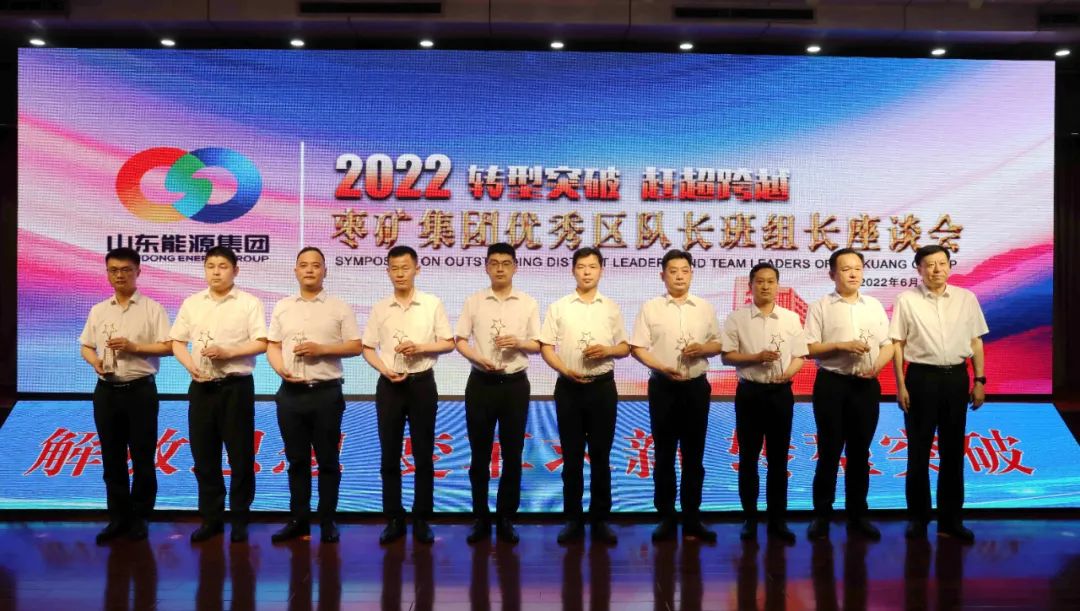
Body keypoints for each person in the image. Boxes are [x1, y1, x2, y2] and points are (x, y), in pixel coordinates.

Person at [890, 244, 988, 543]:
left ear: (949, 266)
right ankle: (918, 519)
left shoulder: (966, 298)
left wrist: (979, 380)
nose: (937, 269)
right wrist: (900, 385)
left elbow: (976, 342)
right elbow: (897, 344)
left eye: (942, 263)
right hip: (921, 379)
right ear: (919, 269)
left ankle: (951, 520)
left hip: (956, 379)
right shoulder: (906, 300)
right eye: (930, 264)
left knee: (953, 452)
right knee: (918, 452)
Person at [170, 245, 268, 543]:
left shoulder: (249, 303)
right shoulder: (192, 303)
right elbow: (176, 342)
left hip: (236, 387)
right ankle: (211, 518)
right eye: (210, 266)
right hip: (201, 387)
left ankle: (239, 518)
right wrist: (190, 366)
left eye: (223, 266)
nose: (216, 272)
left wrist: (228, 352)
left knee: (240, 456)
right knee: (204, 455)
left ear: (235, 270)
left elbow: (261, 342)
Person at [267, 247, 362, 544]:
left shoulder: (339, 307)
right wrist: (280, 368)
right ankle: (299, 520)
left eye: (316, 265)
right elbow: (272, 345)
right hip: (290, 394)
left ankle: (328, 520)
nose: (309, 270)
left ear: (325, 271)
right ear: (295, 271)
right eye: (304, 265)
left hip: (326, 394)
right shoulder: (283, 306)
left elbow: (356, 346)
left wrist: (322, 350)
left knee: (328, 460)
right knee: (296, 461)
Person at [361, 245, 454, 545]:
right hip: (390, 386)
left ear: (417, 269)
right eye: (394, 268)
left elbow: (448, 342)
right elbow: (367, 348)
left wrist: (421, 347)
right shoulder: (380, 308)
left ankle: (422, 518)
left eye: (405, 267)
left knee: (423, 453)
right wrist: (384, 369)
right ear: (387, 271)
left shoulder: (431, 304)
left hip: (421, 384)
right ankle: (394, 518)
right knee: (389, 454)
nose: (400, 273)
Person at [79, 247, 172, 544]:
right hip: (106, 392)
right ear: (107, 273)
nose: (119, 275)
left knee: (143, 456)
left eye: (126, 270)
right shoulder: (99, 310)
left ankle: (141, 517)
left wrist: (134, 348)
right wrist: (95, 362)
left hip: (140, 391)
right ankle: (117, 518)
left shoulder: (153, 309)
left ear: (138, 272)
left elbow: (168, 347)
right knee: (111, 456)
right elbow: (86, 345)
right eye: (114, 270)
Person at [629, 249, 722, 543]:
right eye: (673, 271)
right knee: (664, 454)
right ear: (662, 275)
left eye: (684, 270)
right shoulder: (651, 308)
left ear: (692, 274)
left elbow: (718, 344)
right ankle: (666, 516)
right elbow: (637, 347)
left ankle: (692, 517)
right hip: (663, 387)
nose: (679, 276)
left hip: (696, 388)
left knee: (694, 455)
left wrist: (703, 349)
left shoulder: (704, 307)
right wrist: (660, 367)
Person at [539, 246, 630, 545]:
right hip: (569, 388)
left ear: (601, 270)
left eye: (592, 266)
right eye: (581, 266)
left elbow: (625, 347)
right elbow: (546, 346)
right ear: (573, 271)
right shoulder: (559, 307)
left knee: (601, 457)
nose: (587, 272)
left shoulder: (611, 307)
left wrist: (607, 350)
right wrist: (563, 369)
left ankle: (600, 520)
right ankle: (573, 519)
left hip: (602, 388)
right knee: (572, 457)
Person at [804, 248, 893, 541]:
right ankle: (822, 515)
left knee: (859, 453)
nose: (853, 274)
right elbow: (809, 348)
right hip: (832, 384)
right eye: (845, 269)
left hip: (865, 386)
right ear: (832, 274)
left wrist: (876, 367)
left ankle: (857, 515)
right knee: (829, 451)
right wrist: (841, 346)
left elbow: (888, 344)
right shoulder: (820, 306)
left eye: (857, 268)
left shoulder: (874, 306)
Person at [455, 243, 541, 545]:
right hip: (481, 384)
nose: (500, 268)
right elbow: (460, 340)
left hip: (515, 385)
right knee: (479, 455)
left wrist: (518, 342)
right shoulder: (474, 301)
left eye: (506, 263)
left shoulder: (527, 302)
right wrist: (477, 358)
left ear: (515, 266)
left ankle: (506, 517)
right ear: (487, 267)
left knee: (512, 454)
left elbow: (537, 344)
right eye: (494, 263)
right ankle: (480, 517)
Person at [721, 262, 807, 544]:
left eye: (771, 281)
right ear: (751, 285)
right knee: (748, 458)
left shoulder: (791, 318)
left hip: (780, 394)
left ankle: (777, 520)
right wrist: (755, 358)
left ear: (777, 286)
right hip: (750, 394)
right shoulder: (737, 318)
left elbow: (800, 355)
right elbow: (727, 356)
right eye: (760, 281)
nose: (766, 286)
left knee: (778, 459)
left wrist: (787, 373)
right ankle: (750, 518)